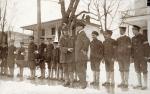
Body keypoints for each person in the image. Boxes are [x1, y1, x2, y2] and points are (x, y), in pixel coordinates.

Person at [132, 25, 149, 90]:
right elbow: (132, 49)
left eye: (134, 30)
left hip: (143, 57)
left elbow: (147, 47)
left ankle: (145, 85)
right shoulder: (133, 38)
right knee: (137, 70)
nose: (133, 31)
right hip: (136, 58)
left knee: (144, 70)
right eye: (132, 30)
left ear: (137, 30)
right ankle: (139, 84)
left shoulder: (143, 37)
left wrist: (147, 56)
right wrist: (132, 56)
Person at [75, 21, 90, 89]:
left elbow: (87, 41)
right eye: (76, 26)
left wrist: (84, 50)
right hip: (79, 56)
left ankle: (83, 84)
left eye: (78, 26)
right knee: (80, 69)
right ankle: (83, 83)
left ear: (81, 27)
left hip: (81, 56)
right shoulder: (79, 34)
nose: (76, 27)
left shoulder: (82, 34)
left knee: (81, 70)